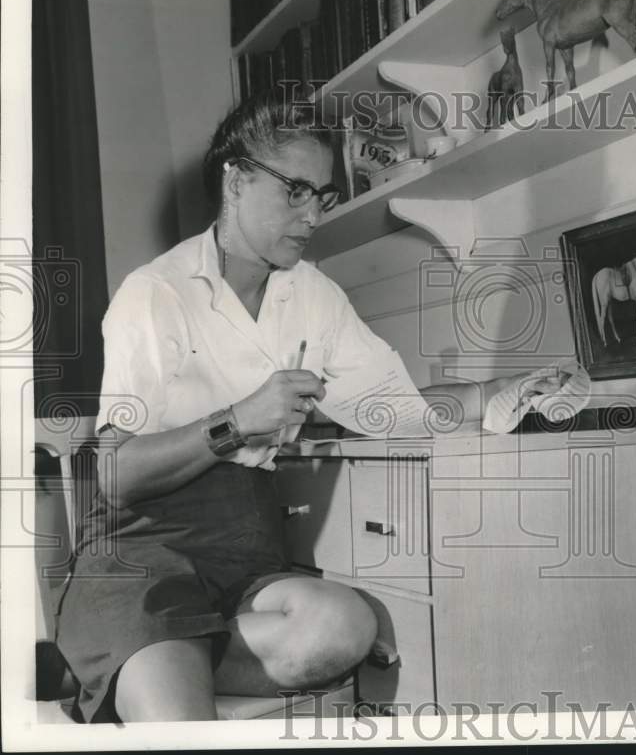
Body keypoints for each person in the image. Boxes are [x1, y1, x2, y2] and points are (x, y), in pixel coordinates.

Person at [54, 89, 560, 723]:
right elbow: (115, 473)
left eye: (321, 195)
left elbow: (391, 408)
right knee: (189, 732)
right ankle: (137, 652)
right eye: (293, 190)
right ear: (235, 182)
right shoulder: (154, 293)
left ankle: (147, 662)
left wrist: (492, 396)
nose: (312, 214)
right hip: (140, 552)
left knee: (347, 625)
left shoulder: (315, 295)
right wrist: (236, 423)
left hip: (245, 553)